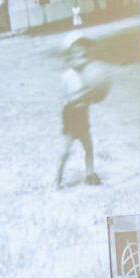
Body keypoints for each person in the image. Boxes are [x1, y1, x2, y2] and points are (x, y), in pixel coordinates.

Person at [54, 34, 111, 188]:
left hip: (83, 116)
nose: (82, 57)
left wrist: (95, 94)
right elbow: (66, 101)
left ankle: (89, 175)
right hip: (71, 117)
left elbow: (94, 95)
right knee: (65, 151)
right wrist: (83, 95)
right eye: (77, 54)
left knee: (88, 147)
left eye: (84, 54)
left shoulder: (89, 74)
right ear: (69, 58)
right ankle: (57, 179)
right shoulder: (67, 77)